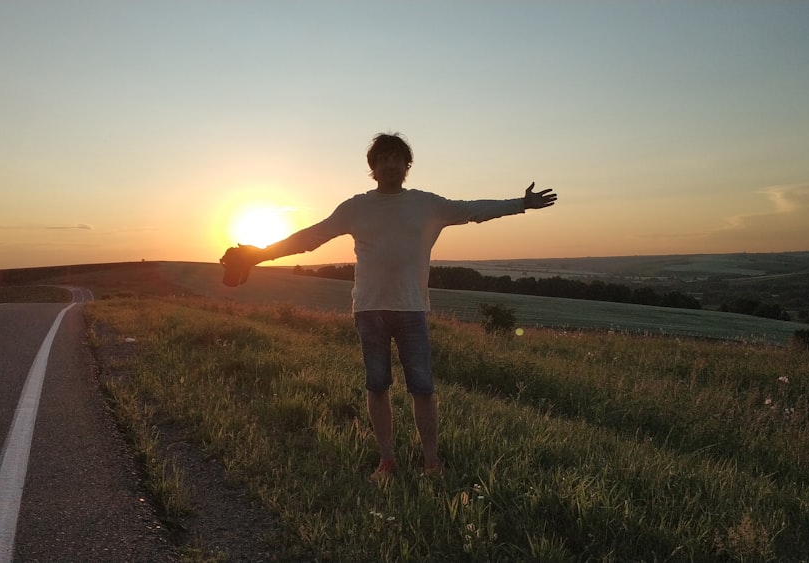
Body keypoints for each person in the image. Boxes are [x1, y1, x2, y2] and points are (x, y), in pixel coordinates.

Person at [220, 133, 557, 480]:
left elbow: (474, 210)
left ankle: (431, 463)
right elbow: (309, 238)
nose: (390, 165)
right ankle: (387, 461)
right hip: (370, 309)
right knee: (377, 385)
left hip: (412, 309)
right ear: (373, 167)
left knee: (423, 388)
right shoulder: (355, 207)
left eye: (397, 158)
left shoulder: (428, 204)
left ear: (407, 166)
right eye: (383, 159)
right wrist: (258, 254)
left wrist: (521, 203)